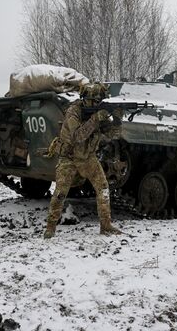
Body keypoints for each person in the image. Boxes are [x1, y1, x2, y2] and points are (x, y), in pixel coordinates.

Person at [44, 83, 123, 238]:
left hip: (88, 157)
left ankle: (106, 226)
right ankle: (50, 228)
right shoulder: (73, 112)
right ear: (86, 100)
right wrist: (95, 119)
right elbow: (77, 137)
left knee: (103, 188)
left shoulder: (98, 113)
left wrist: (117, 120)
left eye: (98, 101)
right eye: (93, 101)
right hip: (69, 157)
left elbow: (113, 135)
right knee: (60, 192)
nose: (96, 104)